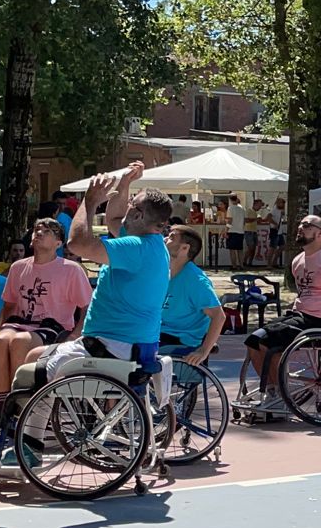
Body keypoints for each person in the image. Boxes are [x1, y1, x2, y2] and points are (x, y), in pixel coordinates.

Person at [27, 163, 173, 384]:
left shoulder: (136, 247)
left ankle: (30, 420)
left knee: (30, 376)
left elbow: (77, 244)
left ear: (138, 215)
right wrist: (125, 183)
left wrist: (90, 201)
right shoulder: (150, 242)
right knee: (33, 356)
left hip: (112, 345)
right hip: (124, 343)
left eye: (132, 202)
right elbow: (114, 219)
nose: (128, 204)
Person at [243, 214, 321, 403]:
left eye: (307, 226)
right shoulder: (298, 261)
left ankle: (280, 396)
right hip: (301, 316)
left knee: (266, 341)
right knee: (253, 341)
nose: (301, 228)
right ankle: (273, 390)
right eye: (300, 224)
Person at [0, 218, 93, 423]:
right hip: (19, 321)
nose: (39, 232)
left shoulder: (71, 269)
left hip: (52, 326)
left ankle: (20, 406)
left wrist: (76, 334)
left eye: (47, 230)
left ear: (58, 243)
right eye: (37, 229)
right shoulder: (17, 267)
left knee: (20, 341)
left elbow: (87, 307)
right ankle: (0, 410)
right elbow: (8, 306)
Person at [160, 225, 223, 367]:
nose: (164, 239)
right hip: (160, 332)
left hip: (180, 339)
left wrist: (203, 351)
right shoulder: (164, 272)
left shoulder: (195, 280)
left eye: (171, 238)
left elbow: (219, 316)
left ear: (184, 248)